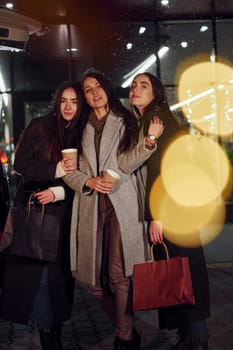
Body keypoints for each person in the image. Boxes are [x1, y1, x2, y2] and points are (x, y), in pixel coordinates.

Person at [62, 69, 164, 350]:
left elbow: (130, 162)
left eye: (98, 86)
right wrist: (88, 180)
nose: (94, 92)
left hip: (121, 205)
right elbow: (69, 172)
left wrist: (148, 143)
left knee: (119, 275)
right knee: (93, 282)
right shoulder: (77, 127)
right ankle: (126, 328)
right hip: (90, 207)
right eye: (87, 89)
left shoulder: (126, 121)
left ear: (107, 89)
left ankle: (125, 338)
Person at [0, 80, 84, 350]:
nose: (69, 106)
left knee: (61, 281)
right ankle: (49, 335)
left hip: (67, 215)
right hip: (37, 215)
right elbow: (20, 164)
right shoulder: (40, 126)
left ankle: (54, 329)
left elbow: (88, 178)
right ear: (57, 102)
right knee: (41, 279)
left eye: (74, 101)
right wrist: (55, 171)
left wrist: (60, 193)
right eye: (64, 101)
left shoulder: (84, 132)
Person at [129, 72, 210, 350]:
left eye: (143, 86)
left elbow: (162, 168)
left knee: (185, 271)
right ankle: (190, 336)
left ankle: (196, 340)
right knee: (182, 271)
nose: (135, 89)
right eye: (133, 85)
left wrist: (157, 215)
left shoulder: (156, 119)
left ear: (156, 93)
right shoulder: (150, 118)